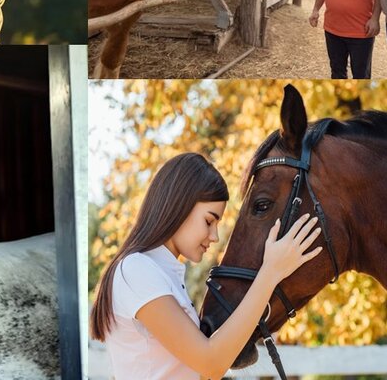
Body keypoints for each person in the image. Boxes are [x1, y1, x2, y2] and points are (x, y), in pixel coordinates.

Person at [88, 153, 322, 379]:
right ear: (177, 206)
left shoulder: (164, 275)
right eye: (209, 221)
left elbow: (199, 372)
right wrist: (270, 273)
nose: (214, 236)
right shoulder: (137, 270)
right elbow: (210, 364)